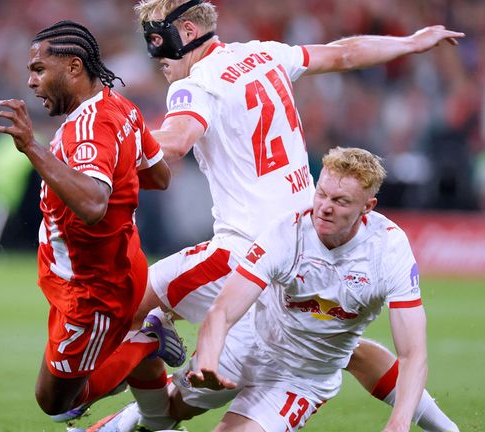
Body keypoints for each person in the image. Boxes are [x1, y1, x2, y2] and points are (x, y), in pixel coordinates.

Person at [91, 1, 463, 430]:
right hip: (308, 236)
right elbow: (344, 53)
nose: (155, 56)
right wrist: (410, 43)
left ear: (187, 32)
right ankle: (445, 428)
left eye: (158, 40)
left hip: (246, 249)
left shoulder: (196, 83)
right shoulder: (265, 53)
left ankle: (122, 398)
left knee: (123, 308)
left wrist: (98, 152)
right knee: (342, 348)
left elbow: (174, 142)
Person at [0, 20, 184, 423]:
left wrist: (32, 148)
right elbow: (159, 176)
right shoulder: (119, 107)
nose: (31, 82)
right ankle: (155, 416)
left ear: (74, 67)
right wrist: (119, 176)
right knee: (72, 381)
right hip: (111, 264)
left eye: (39, 70)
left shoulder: (87, 128)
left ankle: (146, 339)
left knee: (57, 403)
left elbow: (94, 203)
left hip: (92, 290)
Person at [181, 147, 428, 431]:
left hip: (302, 378)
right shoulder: (286, 233)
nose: (325, 207)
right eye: (321, 193)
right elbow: (223, 311)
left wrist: (399, 423)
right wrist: (208, 361)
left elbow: (412, 353)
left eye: (341, 201)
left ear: (367, 207)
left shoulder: (389, 249)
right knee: (168, 408)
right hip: (251, 341)